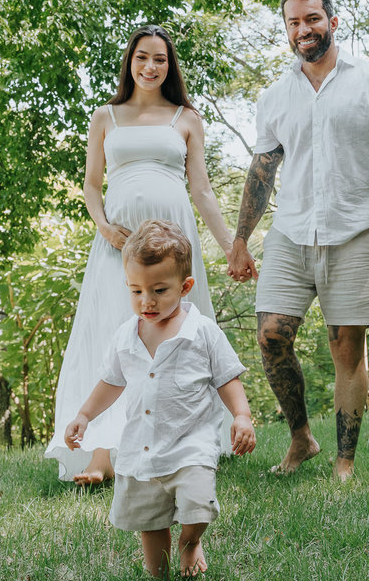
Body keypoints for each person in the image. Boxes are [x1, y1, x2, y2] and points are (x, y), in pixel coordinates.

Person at [227, 0, 369, 482]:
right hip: (290, 235)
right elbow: (262, 170)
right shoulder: (275, 96)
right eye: (294, 22)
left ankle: (345, 462)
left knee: (346, 349)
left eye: (312, 20)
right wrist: (240, 239)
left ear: (333, 23)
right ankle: (301, 438)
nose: (304, 30)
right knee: (271, 337)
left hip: (354, 234)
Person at [45, 25, 238, 484]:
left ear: (170, 67)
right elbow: (93, 186)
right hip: (119, 246)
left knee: (178, 338)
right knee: (113, 334)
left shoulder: (186, 118)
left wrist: (233, 246)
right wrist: (106, 228)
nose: (151, 67)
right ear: (129, 63)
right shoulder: (106, 117)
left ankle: (182, 446)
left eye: (161, 60)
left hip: (174, 241)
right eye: (142, 58)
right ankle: (102, 457)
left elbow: (203, 190)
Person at [65, 220, 256, 578]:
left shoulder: (202, 332)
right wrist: (85, 415)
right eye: (136, 291)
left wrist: (241, 416)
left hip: (191, 443)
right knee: (149, 522)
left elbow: (227, 377)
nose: (147, 301)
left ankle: (190, 542)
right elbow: (111, 381)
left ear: (185, 287)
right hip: (143, 448)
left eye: (159, 290)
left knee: (198, 506)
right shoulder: (126, 336)